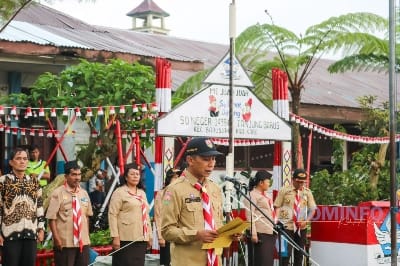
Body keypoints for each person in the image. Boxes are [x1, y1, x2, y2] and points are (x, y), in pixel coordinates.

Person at [161, 137, 225, 266]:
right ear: (190, 160)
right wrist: (196, 235)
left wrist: (230, 233)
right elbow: (167, 231)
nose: (211, 164)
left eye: (213, 158)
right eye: (206, 159)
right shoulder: (174, 189)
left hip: (214, 260)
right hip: (188, 261)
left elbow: (217, 224)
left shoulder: (215, 188)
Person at [0, 147, 45, 266]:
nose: (22, 161)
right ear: (11, 162)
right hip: (9, 235)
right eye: (18, 158)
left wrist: (41, 228)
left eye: (25, 159)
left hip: (31, 234)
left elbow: (39, 206)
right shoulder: (3, 181)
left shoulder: (34, 182)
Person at [46, 160, 93, 266]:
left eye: (79, 175)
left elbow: (87, 216)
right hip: (65, 243)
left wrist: (86, 236)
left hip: (83, 243)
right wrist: (57, 239)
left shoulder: (84, 193)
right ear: (66, 176)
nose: (77, 178)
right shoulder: (58, 193)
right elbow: (51, 218)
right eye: (73, 175)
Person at [108, 162, 152, 266]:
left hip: (141, 237)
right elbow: (112, 214)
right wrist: (115, 236)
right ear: (126, 177)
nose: (135, 176)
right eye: (132, 174)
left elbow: (146, 216)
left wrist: (149, 235)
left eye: (137, 174)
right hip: (125, 238)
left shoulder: (142, 193)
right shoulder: (119, 192)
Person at [274, 168, 317, 266]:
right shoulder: (284, 191)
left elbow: (312, 210)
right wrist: (276, 222)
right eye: (298, 182)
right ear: (293, 180)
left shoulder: (307, 192)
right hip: (286, 227)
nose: (301, 184)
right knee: (284, 255)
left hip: (301, 228)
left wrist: (306, 221)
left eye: (303, 182)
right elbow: (277, 207)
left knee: (299, 255)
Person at [245, 170, 276, 266]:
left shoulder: (267, 195)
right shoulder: (252, 195)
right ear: (261, 183)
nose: (269, 183)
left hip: (269, 231)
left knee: (267, 261)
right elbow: (250, 215)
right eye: (268, 181)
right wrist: (253, 233)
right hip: (259, 233)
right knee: (261, 261)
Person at [154, 168, 182, 266]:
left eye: (179, 177)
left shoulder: (183, 193)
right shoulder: (164, 193)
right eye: (175, 177)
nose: (177, 179)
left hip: (182, 235)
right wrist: (160, 236)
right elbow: (158, 215)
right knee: (167, 262)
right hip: (168, 233)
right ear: (169, 178)